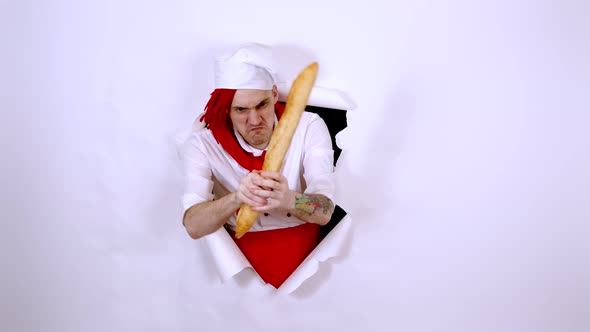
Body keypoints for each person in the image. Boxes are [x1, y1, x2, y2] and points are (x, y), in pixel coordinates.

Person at [181, 43, 335, 288]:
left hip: (312, 268)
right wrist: (236, 199)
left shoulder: (308, 126)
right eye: (241, 110)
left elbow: (326, 210)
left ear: (274, 94)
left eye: (262, 105)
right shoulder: (202, 144)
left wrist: (289, 200)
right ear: (227, 110)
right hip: (242, 275)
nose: (255, 121)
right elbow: (192, 226)